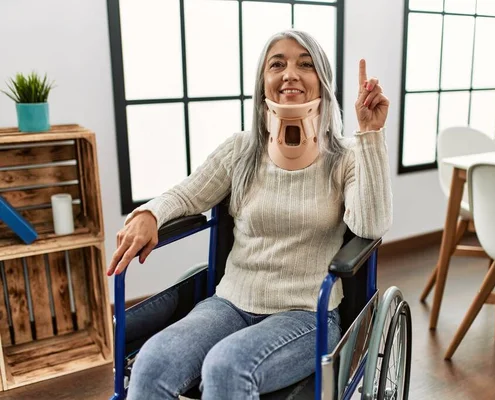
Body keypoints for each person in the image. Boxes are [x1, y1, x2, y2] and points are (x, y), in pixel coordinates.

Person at [107, 29, 392, 399]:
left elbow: (370, 224)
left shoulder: (347, 156)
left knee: (226, 368)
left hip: (306, 314)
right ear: (263, 83)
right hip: (229, 303)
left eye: (305, 64)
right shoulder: (241, 150)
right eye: (277, 64)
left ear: (322, 82)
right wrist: (149, 214)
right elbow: (186, 195)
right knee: (152, 362)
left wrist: (369, 134)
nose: (290, 73)